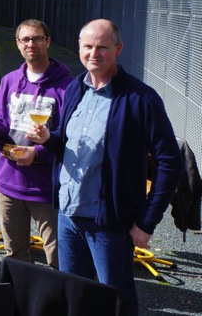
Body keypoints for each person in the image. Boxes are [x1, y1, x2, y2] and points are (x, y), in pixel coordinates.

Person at [30, 19, 182, 315]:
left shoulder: (140, 98)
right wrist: (49, 138)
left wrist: (147, 222)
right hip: (68, 216)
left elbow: (170, 162)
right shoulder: (75, 88)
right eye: (88, 46)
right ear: (79, 48)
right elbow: (68, 142)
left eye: (102, 47)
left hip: (109, 223)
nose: (93, 53)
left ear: (118, 49)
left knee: (115, 302)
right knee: (74, 296)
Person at [0, 19, 71, 269]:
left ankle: (56, 295)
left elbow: (70, 138)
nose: (30, 44)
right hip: (9, 185)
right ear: (18, 43)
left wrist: (38, 153)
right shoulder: (10, 81)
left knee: (58, 257)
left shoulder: (67, 86)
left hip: (46, 188)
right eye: (25, 39)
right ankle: (21, 293)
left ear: (47, 41)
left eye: (37, 38)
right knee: (15, 256)